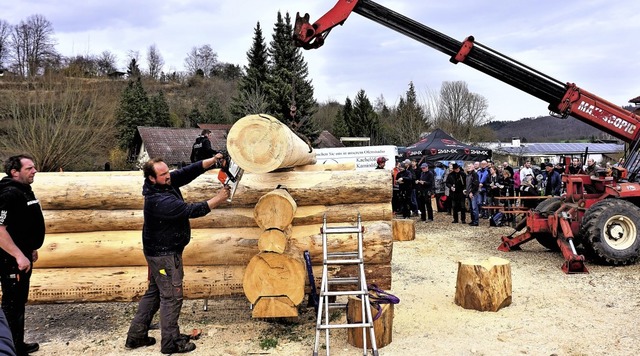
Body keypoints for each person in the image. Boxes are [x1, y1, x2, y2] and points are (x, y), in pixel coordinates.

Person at [125, 155, 231, 354]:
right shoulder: (159, 200)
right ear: (151, 178)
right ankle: (171, 343)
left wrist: (212, 161)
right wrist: (219, 198)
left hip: (157, 252)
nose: (168, 176)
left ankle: (136, 336)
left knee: (155, 293)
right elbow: (192, 210)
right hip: (165, 255)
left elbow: (185, 173)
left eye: (167, 171)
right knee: (172, 297)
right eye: (163, 174)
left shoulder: (162, 184)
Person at [0, 155, 45, 356]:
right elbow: (0, 229)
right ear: (14, 172)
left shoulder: (23, 191)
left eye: (33, 167)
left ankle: (17, 343)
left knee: (18, 301)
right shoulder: (8, 193)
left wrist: (31, 248)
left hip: (22, 255)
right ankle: (10, 349)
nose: (34, 171)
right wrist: (19, 255)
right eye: (29, 168)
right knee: (12, 304)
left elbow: (23, 223)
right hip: (10, 260)